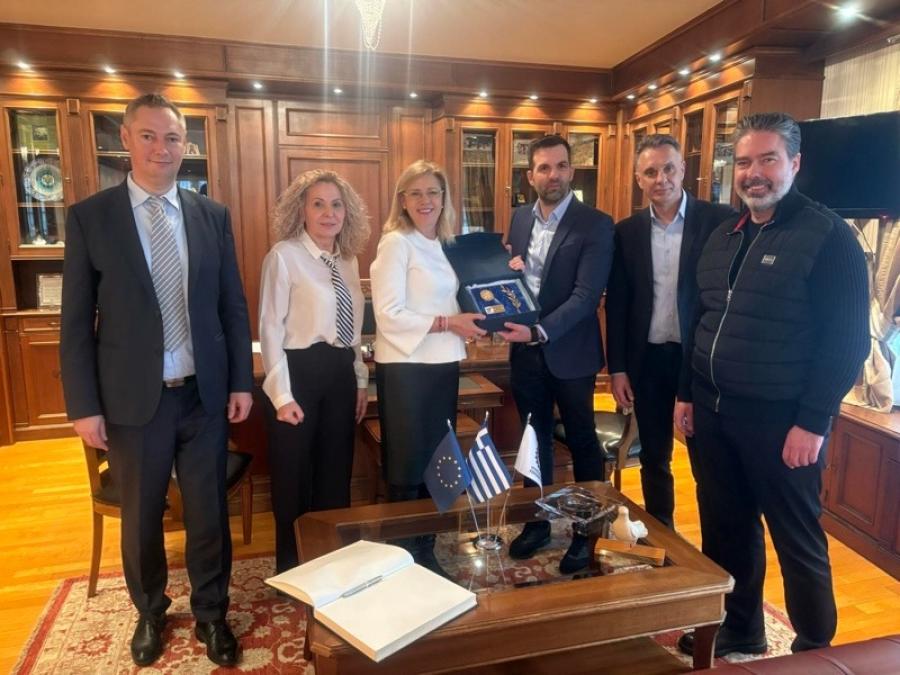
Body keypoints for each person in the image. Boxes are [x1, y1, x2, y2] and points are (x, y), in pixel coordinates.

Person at [60, 94, 253, 668]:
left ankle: (212, 613)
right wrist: (83, 405)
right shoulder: (91, 217)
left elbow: (232, 306)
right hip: (131, 401)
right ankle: (150, 610)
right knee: (142, 516)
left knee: (207, 513)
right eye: (148, 136)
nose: (160, 148)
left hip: (203, 393)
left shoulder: (211, 215)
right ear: (126, 139)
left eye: (171, 138)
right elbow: (75, 322)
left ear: (185, 145)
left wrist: (241, 382)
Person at [674, 113, 869, 658]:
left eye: (767, 159)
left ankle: (815, 648)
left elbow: (847, 342)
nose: (753, 173)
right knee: (726, 528)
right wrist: (687, 393)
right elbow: (702, 321)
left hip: (783, 422)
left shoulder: (829, 237)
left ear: (794, 163)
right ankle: (741, 628)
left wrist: (813, 421)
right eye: (743, 162)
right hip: (713, 414)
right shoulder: (723, 235)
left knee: (796, 536)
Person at [605, 134, 735, 529]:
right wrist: (617, 368)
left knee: (705, 457)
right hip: (648, 359)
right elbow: (618, 304)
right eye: (650, 172)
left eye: (668, 169)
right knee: (654, 455)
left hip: (699, 359)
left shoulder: (719, 220)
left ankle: (714, 544)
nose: (660, 179)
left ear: (683, 170)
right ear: (638, 179)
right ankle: (662, 532)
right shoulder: (626, 232)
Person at [500, 134, 614, 573]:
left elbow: (586, 296)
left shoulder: (595, 223)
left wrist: (539, 330)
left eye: (561, 166)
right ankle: (538, 521)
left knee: (582, 441)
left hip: (571, 353)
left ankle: (587, 532)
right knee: (534, 438)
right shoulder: (519, 219)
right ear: (530, 176)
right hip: (525, 353)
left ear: (572, 171)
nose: (554, 175)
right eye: (544, 168)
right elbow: (516, 282)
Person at [370, 160, 486, 573]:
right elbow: (388, 315)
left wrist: (501, 274)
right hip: (406, 368)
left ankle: (425, 547)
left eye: (433, 192)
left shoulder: (447, 245)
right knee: (407, 464)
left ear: (444, 198)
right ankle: (403, 554)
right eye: (415, 193)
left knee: (436, 461)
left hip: (442, 365)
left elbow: (461, 298)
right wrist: (449, 323)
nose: (425, 200)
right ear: (402, 200)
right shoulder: (396, 243)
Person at [259, 169, 371, 574]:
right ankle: (292, 567)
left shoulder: (348, 260)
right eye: (318, 204)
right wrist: (281, 395)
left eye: (336, 205)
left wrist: (360, 380)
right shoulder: (284, 256)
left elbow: (353, 329)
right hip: (298, 373)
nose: (329, 213)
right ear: (301, 211)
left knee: (335, 471)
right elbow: (270, 326)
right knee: (293, 476)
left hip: (340, 373)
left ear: (347, 212)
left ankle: (330, 563)